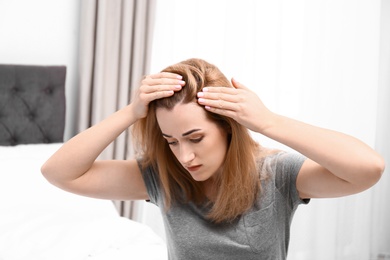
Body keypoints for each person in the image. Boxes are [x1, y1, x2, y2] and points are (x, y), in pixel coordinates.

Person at [41, 58, 385, 259]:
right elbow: (59, 173)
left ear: (229, 129)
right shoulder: (163, 176)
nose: (184, 156)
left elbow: (368, 169)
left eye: (195, 138)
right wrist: (132, 112)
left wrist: (269, 122)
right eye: (171, 141)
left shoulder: (276, 175)